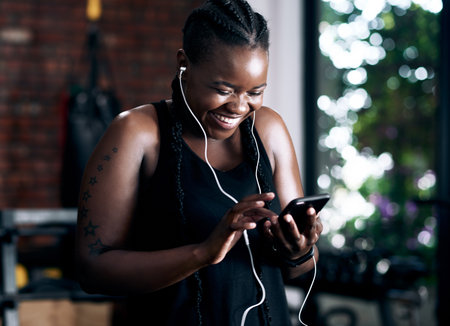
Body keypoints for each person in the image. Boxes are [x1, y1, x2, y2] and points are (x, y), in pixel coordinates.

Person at [75, 0, 323, 325]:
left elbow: (303, 267)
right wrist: (203, 253)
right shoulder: (136, 133)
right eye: (223, 89)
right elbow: (92, 270)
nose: (238, 106)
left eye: (255, 92)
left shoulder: (270, 129)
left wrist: (300, 250)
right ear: (184, 64)